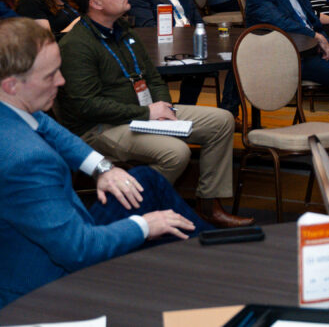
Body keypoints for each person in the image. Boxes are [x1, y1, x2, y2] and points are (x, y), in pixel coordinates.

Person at [0, 18, 207, 307]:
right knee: (156, 217)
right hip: (46, 289)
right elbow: (79, 250)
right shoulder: (28, 161)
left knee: (145, 181)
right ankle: (224, 265)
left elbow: (48, 127)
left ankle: (219, 257)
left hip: (49, 243)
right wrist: (145, 225)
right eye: (50, 76)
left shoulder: (13, 109)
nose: (61, 81)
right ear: (11, 85)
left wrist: (102, 168)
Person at [57, 0, 252, 228]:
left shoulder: (122, 29)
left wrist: (164, 108)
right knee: (175, 153)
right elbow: (87, 106)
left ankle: (209, 205)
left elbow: (152, 77)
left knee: (222, 120)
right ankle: (131, 216)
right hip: (101, 127)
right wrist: (147, 113)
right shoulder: (76, 45)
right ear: (96, 4)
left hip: (142, 112)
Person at [126, 0, 208, 106]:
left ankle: (187, 107)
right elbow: (148, 30)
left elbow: (199, 23)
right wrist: (182, 36)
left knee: (234, 60)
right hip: (163, 50)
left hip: (190, 47)